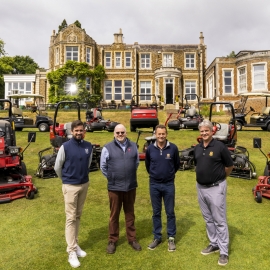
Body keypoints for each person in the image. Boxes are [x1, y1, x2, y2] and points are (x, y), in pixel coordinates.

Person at [193, 119, 233, 266]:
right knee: (208, 219)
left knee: (219, 220)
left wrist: (221, 178)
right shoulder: (197, 148)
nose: (204, 133)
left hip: (216, 187)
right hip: (201, 188)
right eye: (202, 131)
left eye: (206, 131)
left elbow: (229, 165)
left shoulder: (220, 146)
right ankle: (214, 243)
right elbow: (198, 165)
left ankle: (224, 252)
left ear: (212, 131)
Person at [54, 120, 93, 268]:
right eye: (76, 131)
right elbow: (58, 166)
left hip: (84, 184)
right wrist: (66, 180)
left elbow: (88, 164)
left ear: (84, 131)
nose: (78, 133)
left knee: (77, 216)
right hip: (70, 186)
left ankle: (75, 245)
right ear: (72, 131)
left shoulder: (88, 146)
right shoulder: (65, 147)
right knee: (70, 218)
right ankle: (71, 251)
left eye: (81, 130)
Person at [100, 124, 141, 254]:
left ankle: (132, 239)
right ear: (114, 134)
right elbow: (103, 167)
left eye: (122, 132)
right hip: (114, 187)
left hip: (130, 186)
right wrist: (113, 177)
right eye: (118, 133)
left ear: (126, 133)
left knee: (130, 214)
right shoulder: (107, 148)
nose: (120, 135)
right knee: (114, 215)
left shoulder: (133, 146)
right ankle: (112, 240)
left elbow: (136, 164)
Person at [145, 124, 180, 252]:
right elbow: (148, 165)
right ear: (155, 134)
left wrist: (168, 175)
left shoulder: (173, 148)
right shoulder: (150, 149)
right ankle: (157, 237)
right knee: (156, 212)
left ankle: (171, 238)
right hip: (154, 184)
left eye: (163, 134)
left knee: (170, 212)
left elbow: (176, 165)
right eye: (159, 134)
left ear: (166, 134)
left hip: (168, 184)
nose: (161, 136)